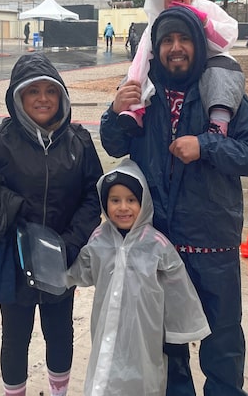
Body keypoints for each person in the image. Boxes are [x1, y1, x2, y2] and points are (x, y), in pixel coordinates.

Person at [100, 5, 248, 396]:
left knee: (223, 344)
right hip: (160, 246)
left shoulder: (221, 94)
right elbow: (114, 144)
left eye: (183, 40)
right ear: (155, 49)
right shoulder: (144, 94)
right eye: (166, 41)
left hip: (213, 243)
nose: (175, 48)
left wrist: (207, 145)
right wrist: (114, 112)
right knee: (168, 347)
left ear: (196, 44)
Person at [0, 53, 103, 396]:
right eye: (33, 91)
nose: (43, 98)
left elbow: (93, 197)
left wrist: (68, 245)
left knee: (60, 331)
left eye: (50, 90)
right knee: (16, 335)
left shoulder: (79, 141)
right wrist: (4, 215)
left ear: (62, 96)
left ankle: (59, 391)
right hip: (13, 261)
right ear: (18, 97)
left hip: (62, 259)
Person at [67, 159, 210, 396]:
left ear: (142, 203)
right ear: (105, 203)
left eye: (131, 200)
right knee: (106, 373)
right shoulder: (99, 239)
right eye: (115, 200)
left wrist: (176, 335)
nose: (123, 207)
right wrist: (56, 273)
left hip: (146, 333)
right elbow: (82, 270)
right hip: (106, 330)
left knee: (143, 378)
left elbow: (178, 291)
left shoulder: (157, 245)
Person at [117, 0, 244, 137]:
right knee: (134, 75)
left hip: (211, 63)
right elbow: (142, 57)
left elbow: (229, 35)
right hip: (165, 82)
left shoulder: (205, 7)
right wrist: (131, 94)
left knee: (223, 72)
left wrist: (205, 22)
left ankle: (218, 122)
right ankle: (134, 114)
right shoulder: (156, 21)